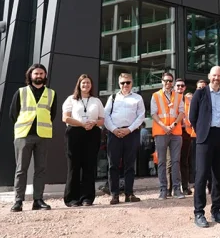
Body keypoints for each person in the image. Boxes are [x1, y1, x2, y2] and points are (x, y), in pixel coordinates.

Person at [9, 64, 57, 212]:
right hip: (24, 135)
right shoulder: (21, 92)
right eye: (36, 73)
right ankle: (18, 201)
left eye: (41, 73)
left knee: (40, 169)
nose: (39, 76)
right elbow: (13, 114)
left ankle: (38, 200)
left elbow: (52, 114)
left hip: (42, 135)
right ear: (30, 75)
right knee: (21, 170)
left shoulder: (51, 93)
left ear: (45, 75)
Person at [189, 66, 220, 228]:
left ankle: (216, 210)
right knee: (201, 176)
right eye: (214, 75)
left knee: (217, 176)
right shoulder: (200, 93)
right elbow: (192, 116)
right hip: (205, 138)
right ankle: (199, 212)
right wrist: (201, 131)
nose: (216, 78)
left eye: (219, 76)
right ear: (209, 76)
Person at [62, 74, 104, 207]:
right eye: (83, 83)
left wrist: (93, 123)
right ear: (79, 85)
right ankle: (71, 199)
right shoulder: (71, 99)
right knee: (74, 166)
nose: (86, 85)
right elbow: (66, 118)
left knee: (89, 166)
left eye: (88, 83)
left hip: (92, 133)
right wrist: (82, 124)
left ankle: (87, 198)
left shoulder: (96, 101)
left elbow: (102, 120)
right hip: (74, 133)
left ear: (91, 85)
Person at [104, 73, 146, 205]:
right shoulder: (113, 98)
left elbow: (141, 116)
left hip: (131, 133)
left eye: (128, 82)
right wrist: (114, 130)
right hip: (114, 133)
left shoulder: (138, 98)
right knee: (113, 165)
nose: (125, 85)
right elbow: (105, 115)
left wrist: (129, 129)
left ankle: (129, 193)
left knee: (130, 165)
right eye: (123, 83)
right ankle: (114, 194)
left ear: (132, 83)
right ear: (119, 84)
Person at [151, 72, 185, 200]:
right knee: (161, 162)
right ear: (162, 81)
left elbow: (181, 112)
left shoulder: (178, 96)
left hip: (175, 132)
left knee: (176, 161)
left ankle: (177, 189)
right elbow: (153, 114)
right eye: (166, 80)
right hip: (161, 132)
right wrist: (164, 126)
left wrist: (174, 124)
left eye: (170, 81)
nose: (168, 83)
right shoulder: (155, 96)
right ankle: (163, 190)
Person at [177, 79, 193, 195]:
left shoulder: (189, 101)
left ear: (185, 87)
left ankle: (185, 187)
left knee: (184, 161)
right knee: (171, 162)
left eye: (182, 86)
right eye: (178, 86)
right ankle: (170, 188)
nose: (180, 88)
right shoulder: (170, 99)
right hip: (173, 132)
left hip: (186, 132)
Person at [183, 92, 197, 193]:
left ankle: (194, 182)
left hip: (194, 136)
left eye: (191, 98)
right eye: (188, 98)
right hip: (185, 135)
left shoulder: (196, 106)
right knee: (185, 161)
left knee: (193, 161)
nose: (189, 100)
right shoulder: (183, 107)